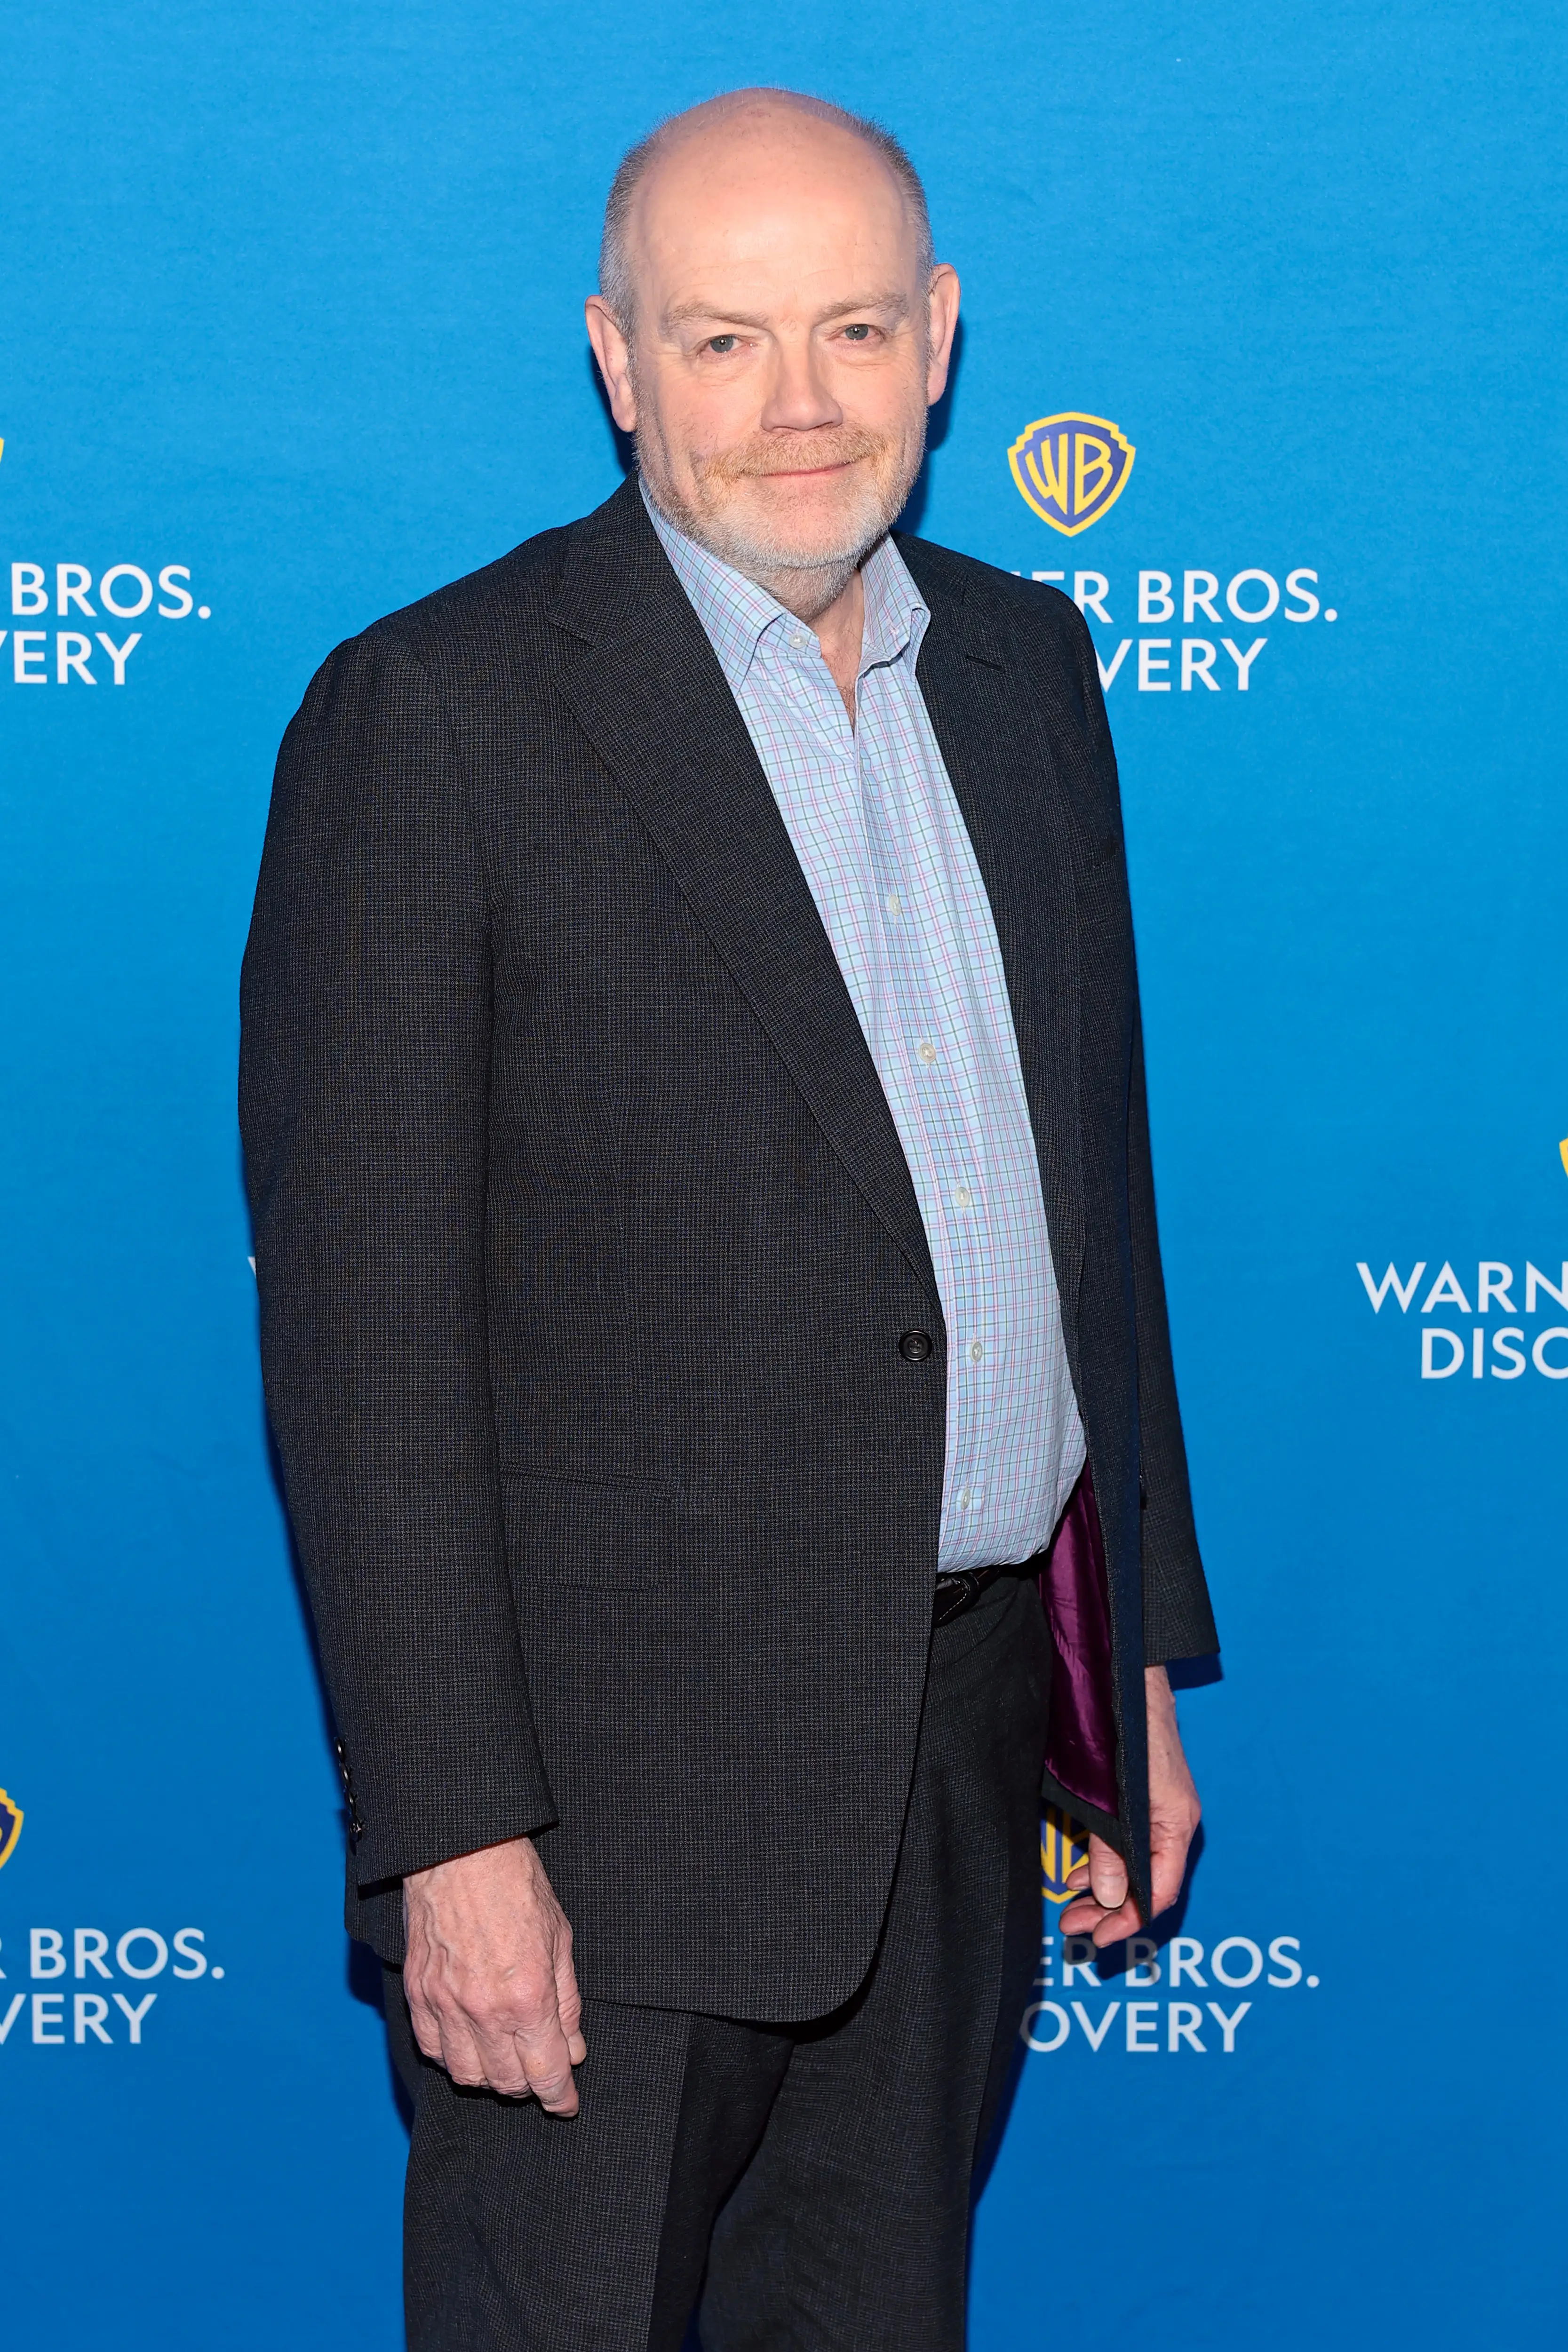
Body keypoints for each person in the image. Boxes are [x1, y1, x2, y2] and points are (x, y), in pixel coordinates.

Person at [240, 84, 1218, 2352]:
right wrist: (454, 1839)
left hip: (961, 1747)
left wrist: (1124, 1674)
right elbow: (364, 1347)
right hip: (600, 1816)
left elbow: (1085, 1213)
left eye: (853, 330)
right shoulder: (437, 717)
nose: (801, 405)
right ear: (615, 357)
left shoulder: (1026, 668)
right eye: (721, 340)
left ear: (939, 337)